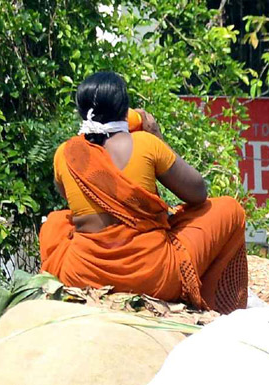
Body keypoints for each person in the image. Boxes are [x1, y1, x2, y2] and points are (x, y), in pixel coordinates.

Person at [40, 71, 248, 313]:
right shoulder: (147, 144)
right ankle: (213, 309)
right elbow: (198, 193)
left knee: (57, 220)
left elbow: (67, 195)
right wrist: (156, 136)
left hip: (83, 274)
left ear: (80, 110)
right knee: (229, 208)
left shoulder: (66, 154)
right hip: (153, 277)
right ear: (124, 109)